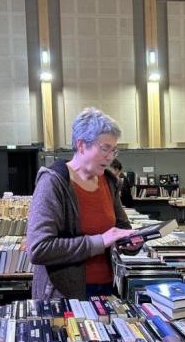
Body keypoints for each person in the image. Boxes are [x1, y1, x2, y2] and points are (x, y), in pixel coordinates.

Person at [27, 107, 140, 300]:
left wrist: (131, 242)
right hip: (64, 294)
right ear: (81, 145)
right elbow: (39, 248)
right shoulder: (53, 183)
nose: (110, 156)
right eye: (105, 148)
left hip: (107, 289)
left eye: (114, 150)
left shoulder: (109, 182)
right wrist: (100, 241)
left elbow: (121, 228)